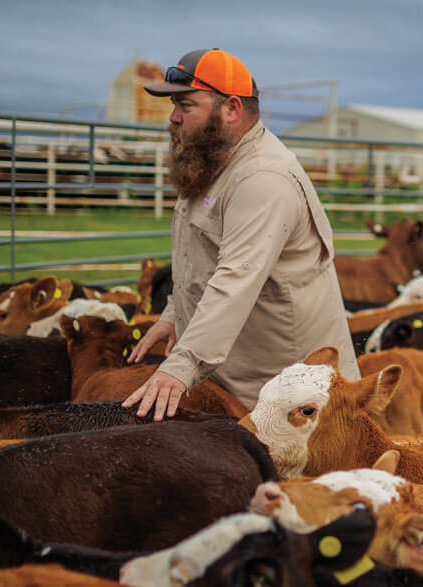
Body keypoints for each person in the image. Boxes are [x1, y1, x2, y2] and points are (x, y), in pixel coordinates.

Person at [123, 48, 359, 420]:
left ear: (231, 108)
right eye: (174, 104)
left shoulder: (263, 179)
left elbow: (236, 279)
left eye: (186, 105)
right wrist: (173, 314)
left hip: (291, 396)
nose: (173, 117)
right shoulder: (215, 160)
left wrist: (179, 368)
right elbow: (199, 257)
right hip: (244, 378)